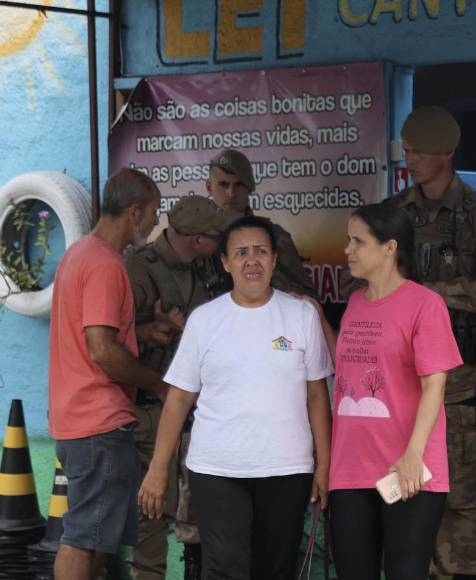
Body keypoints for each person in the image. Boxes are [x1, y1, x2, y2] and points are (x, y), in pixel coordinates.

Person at [138, 215, 333, 580]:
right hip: (217, 470)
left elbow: (317, 395)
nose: (251, 260)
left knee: (274, 569)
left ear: (275, 259)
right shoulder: (205, 320)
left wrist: (324, 463)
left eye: (261, 251)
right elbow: (179, 398)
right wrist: (158, 468)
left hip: (287, 468)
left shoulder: (301, 315)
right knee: (225, 568)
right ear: (226, 263)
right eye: (241, 253)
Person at [384, 106, 476, 579]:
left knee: (459, 497)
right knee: (394, 490)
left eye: (420, 151)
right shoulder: (393, 214)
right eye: (407, 151)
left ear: (446, 154)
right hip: (396, 378)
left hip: (458, 381)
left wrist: (434, 296)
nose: (411, 159)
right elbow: (357, 284)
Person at [328, 203, 463, 579]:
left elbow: (435, 384)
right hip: (350, 469)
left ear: (390, 247)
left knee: (405, 572)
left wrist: (412, 455)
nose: (348, 250)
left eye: (358, 241)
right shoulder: (353, 303)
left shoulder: (424, 304)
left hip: (406, 468)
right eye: (347, 240)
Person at [48, 168, 164, 580]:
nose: (154, 223)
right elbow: (101, 350)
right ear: (133, 211)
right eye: (153, 212)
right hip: (98, 421)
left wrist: (146, 331)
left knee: (96, 537)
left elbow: (93, 337)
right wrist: (156, 384)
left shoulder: (78, 254)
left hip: (78, 420)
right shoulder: (105, 264)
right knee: (83, 537)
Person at [125, 195, 238, 580]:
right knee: (151, 514)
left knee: (201, 514)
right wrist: (148, 332)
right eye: (215, 237)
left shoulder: (206, 266)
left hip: (201, 414)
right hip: (153, 410)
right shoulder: (139, 270)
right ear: (196, 239)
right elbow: (106, 341)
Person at [205, 148, 316, 297]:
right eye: (223, 185)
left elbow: (305, 297)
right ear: (209, 187)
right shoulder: (195, 238)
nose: (231, 193)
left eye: (239, 185)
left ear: (250, 187)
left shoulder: (274, 236)